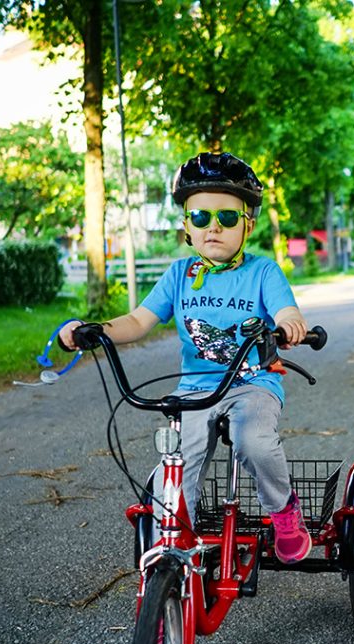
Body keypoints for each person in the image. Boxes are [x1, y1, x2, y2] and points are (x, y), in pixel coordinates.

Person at [59, 151, 312, 564]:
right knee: (179, 459)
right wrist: (96, 330)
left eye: (227, 218)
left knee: (253, 441)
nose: (214, 227)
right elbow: (139, 320)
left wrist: (290, 323)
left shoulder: (263, 272)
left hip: (252, 383)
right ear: (186, 227)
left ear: (247, 224)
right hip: (196, 388)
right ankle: (176, 542)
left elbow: (286, 310)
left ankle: (284, 512)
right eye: (201, 218)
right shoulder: (178, 275)